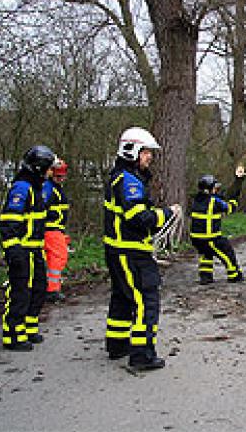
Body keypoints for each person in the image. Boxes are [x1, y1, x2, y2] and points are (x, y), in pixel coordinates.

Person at [103, 127, 180, 371]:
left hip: (119, 250)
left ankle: (117, 345)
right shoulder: (128, 181)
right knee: (146, 299)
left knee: (122, 297)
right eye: (146, 152)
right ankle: (142, 354)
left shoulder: (121, 176)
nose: (150, 157)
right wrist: (168, 213)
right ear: (132, 150)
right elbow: (139, 218)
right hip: (131, 252)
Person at [0, 145, 57, 351]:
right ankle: (13, 335)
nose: (51, 172)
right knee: (20, 292)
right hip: (22, 250)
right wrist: (13, 249)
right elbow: (9, 221)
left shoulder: (38, 187)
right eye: (49, 168)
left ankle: (29, 328)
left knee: (39, 289)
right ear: (39, 168)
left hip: (35, 249)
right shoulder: (22, 188)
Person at [190, 175, 244, 285]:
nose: (216, 190)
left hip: (196, 239)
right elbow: (229, 208)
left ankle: (205, 277)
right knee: (227, 253)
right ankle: (234, 275)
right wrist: (234, 199)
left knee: (206, 254)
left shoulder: (196, 199)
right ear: (208, 189)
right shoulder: (213, 201)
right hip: (210, 238)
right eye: (214, 188)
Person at [42, 159, 70, 302]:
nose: (61, 179)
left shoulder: (54, 188)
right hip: (51, 230)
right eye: (58, 176)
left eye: (63, 176)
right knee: (57, 258)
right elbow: (42, 208)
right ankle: (52, 290)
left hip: (56, 230)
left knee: (56, 259)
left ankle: (50, 287)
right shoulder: (48, 188)